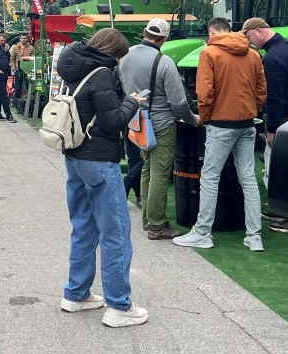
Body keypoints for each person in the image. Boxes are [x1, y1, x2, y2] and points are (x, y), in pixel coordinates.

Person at [55, 28, 148, 328]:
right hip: (99, 160)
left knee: (83, 227)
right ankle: (119, 305)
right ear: (114, 52)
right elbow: (114, 121)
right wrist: (132, 101)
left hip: (75, 156)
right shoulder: (101, 74)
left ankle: (76, 293)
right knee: (116, 232)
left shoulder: (72, 68)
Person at [173, 17, 267, 252]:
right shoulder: (253, 53)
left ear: (211, 31)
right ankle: (254, 236)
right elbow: (261, 88)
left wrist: (205, 117)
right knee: (248, 178)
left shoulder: (210, 52)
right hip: (247, 122)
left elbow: (205, 91)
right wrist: (251, 109)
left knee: (210, 178)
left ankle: (203, 232)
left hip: (220, 124)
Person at [119, 18, 200, 240]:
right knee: (159, 174)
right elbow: (178, 103)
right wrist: (193, 119)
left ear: (144, 32)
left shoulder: (125, 56)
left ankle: (148, 219)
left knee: (147, 168)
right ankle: (157, 225)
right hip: (162, 124)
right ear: (165, 38)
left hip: (137, 121)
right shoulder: (164, 62)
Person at [241, 17, 288, 234]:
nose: (249, 42)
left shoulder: (272, 59)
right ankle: (282, 209)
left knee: (281, 169)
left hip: (283, 120)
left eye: (249, 36)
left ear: (259, 30)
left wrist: (271, 128)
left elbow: (274, 97)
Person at [10, 35, 32, 107]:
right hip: (18, 70)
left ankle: (28, 102)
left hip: (27, 71)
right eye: (22, 38)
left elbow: (33, 59)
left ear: (27, 39)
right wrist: (14, 68)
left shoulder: (31, 48)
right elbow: (12, 59)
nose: (23, 40)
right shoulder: (15, 48)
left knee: (28, 86)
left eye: (25, 38)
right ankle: (16, 103)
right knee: (18, 87)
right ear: (20, 39)